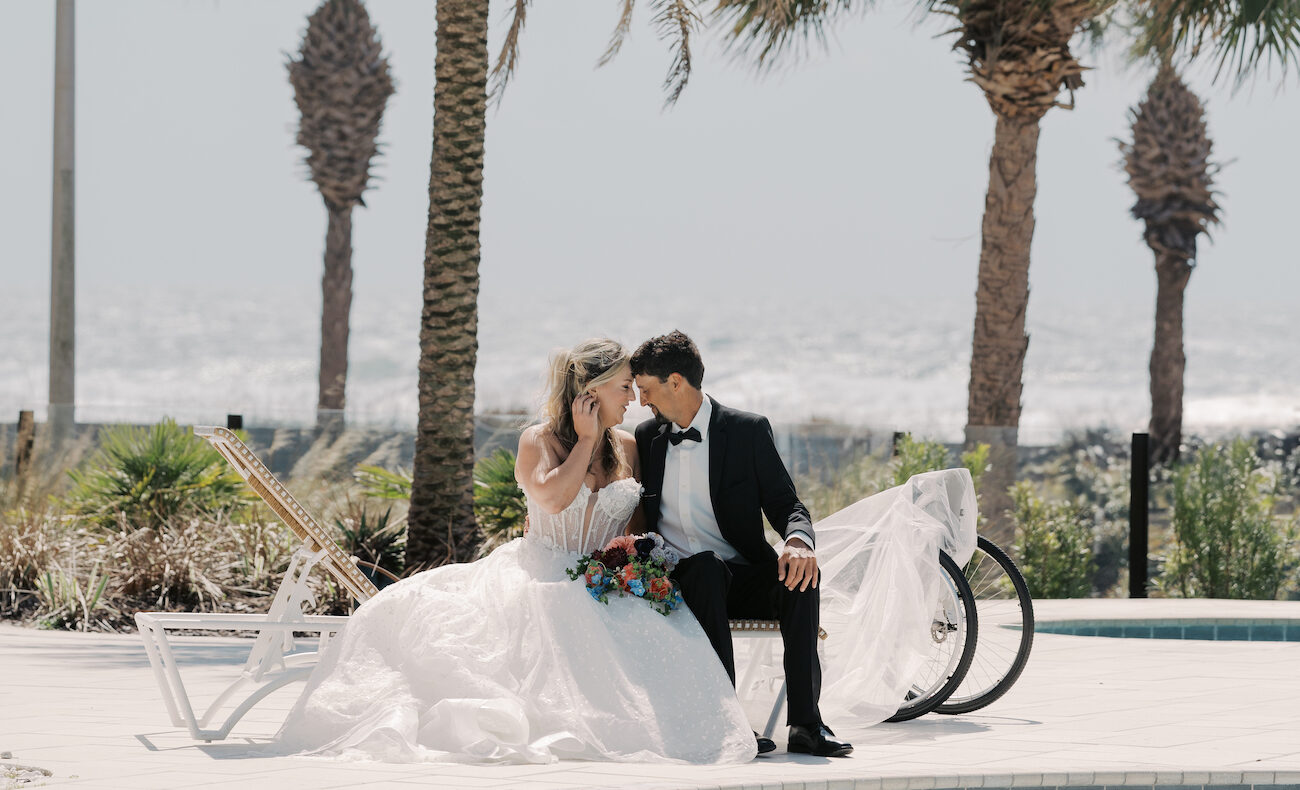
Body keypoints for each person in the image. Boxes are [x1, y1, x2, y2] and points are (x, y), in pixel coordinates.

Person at [276, 338, 756, 764]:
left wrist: (630, 565)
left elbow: (636, 527)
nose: (633, 398)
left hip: (605, 582)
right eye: (624, 388)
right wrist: (586, 440)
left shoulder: (630, 447)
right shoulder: (537, 440)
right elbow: (552, 500)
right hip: (542, 577)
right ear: (591, 391)